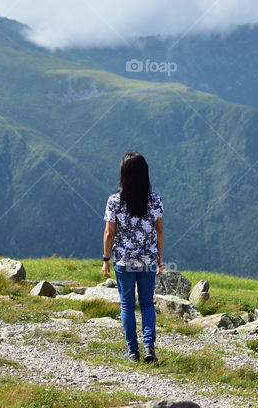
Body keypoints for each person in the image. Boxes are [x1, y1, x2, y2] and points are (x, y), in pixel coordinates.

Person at [102, 151, 164, 363]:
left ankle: (132, 352)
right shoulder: (155, 200)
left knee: (127, 304)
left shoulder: (114, 201)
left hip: (124, 261)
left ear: (124, 173)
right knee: (147, 304)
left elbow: (110, 233)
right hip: (147, 259)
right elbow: (159, 231)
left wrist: (106, 259)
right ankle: (149, 348)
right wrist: (160, 258)